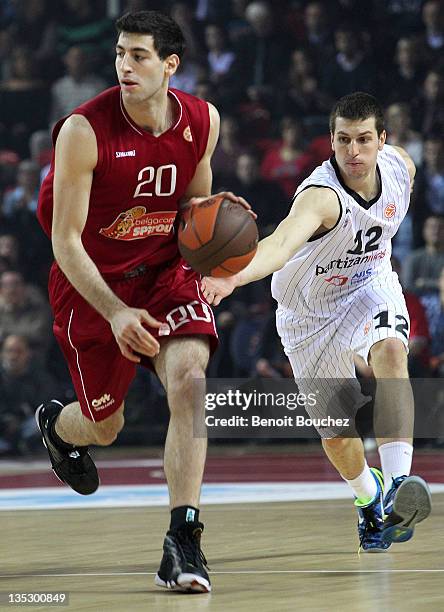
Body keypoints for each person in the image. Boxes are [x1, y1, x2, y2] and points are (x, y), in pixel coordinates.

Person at [35, 10, 252, 595]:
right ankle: (60, 428)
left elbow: (190, 207)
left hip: (163, 271)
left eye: (139, 56)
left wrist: (212, 219)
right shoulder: (84, 131)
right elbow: (64, 241)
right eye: (120, 55)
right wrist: (116, 312)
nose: (124, 66)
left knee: (189, 381)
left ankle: (184, 537)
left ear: (170, 65)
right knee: (105, 426)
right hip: (94, 282)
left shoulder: (203, 120)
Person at [202, 92, 432, 552]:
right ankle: (368, 498)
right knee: (338, 436)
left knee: (390, 350)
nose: (354, 152)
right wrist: (232, 276)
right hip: (308, 314)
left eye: (364, 140)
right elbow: (280, 243)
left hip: (369, 284)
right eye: (343, 140)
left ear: (382, 140)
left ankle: (398, 485)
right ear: (330, 141)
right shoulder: (321, 196)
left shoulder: (401, 168)